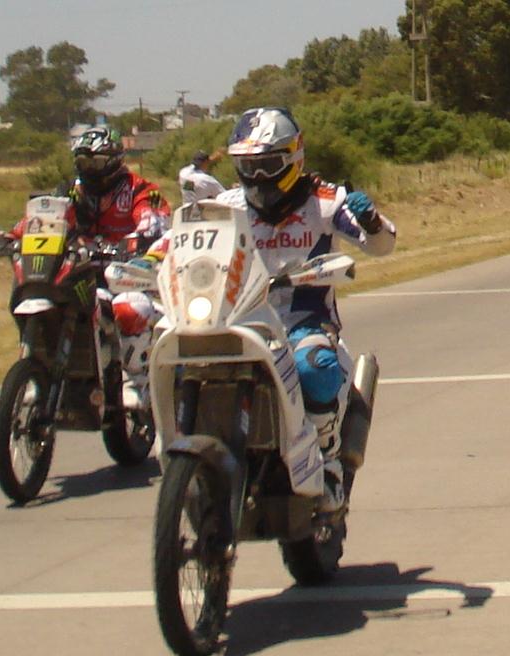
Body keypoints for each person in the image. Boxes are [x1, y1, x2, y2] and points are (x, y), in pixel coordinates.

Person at [136, 107, 396, 513]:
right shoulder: (225, 204)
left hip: (301, 323)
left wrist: (372, 220)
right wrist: (150, 263)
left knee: (314, 366)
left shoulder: (326, 201)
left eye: (267, 165)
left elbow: (380, 245)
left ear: (294, 157)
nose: (257, 177)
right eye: (247, 166)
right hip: (234, 317)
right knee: (172, 354)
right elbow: (176, 240)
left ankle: (326, 459)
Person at [0, 126, 171, 410]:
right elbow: (43, 220)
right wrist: (9, 236)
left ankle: (137, 381)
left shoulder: (139, 189)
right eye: (83, 162)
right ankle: (38, 371)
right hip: (80, 270)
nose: (89, 169)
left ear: (114, 160)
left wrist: (135, 240)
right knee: (33, 290)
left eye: (96, 162)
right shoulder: (71, 191)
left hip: (127, 273)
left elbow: (154, 222)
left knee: (129, 307)